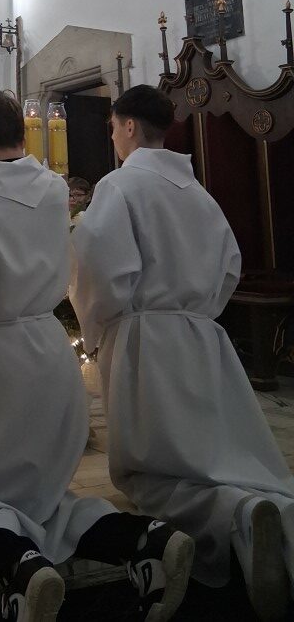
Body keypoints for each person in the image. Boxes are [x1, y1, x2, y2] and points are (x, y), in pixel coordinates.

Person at [0, 92, 193, 622]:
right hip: (50, 351)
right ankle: (145, 540)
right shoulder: (53, 189)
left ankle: (22, 569)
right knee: (41, 502)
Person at [71, 85, 294, 621]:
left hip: (145, 341)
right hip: (201, 336)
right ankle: (269, 510)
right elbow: (229, 265)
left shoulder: (121, 185)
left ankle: (236, 515)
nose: (114, 137)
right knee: (217, 457)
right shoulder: (198, 193)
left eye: (113, 127)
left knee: (151, 474)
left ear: (127, 126)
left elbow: (100, 269)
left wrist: (95, 326)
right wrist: (199, 312)